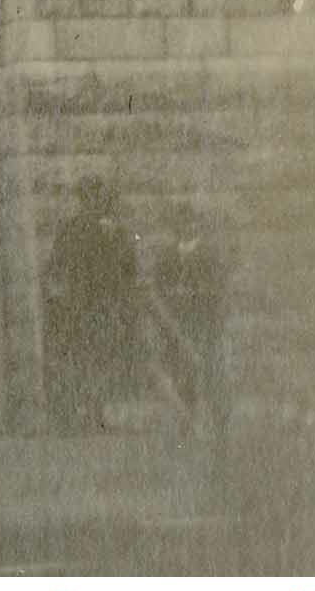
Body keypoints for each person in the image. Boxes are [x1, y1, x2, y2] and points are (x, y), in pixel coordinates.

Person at [43, 174, 141, 430]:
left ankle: (87, 411)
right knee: (96, 358)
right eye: (91, 196)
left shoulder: (74, 228)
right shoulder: (109, 229)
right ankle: (91, 411)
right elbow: (129, 268)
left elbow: (54, 266)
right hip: (96, 303)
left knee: (87, 358)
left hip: (83, 304)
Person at [148, 202, 227, 430]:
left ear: (197, 225)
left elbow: (218, 286)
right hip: (178, 321)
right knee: (183, 369)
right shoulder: (167, 257)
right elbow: (159, 287)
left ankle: (218, 415)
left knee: (211, 366)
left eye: (190, 222)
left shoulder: (209, 254)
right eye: (180, 223)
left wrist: (202, 295)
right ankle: (188, 415)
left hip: (203, 318)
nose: (185, 227)